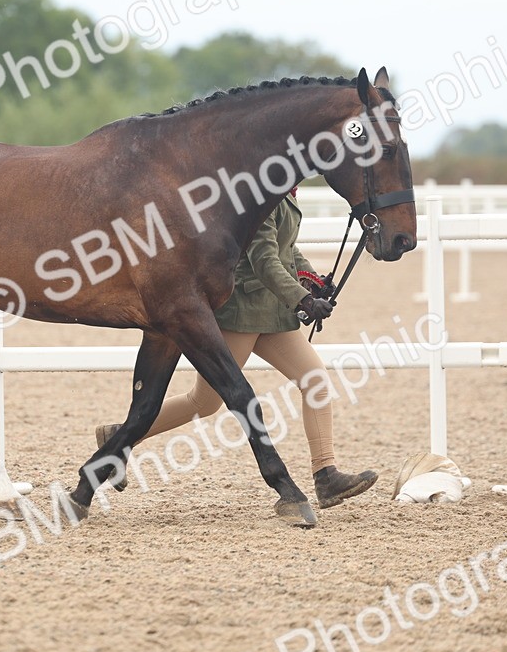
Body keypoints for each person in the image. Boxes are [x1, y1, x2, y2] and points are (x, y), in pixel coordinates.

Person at [97, 190, 378, 508]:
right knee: (205, 401)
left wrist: (310, 278)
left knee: (314, 379)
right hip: (242, 310)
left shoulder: (287, 193)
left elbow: (286, 250)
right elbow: (264, 261)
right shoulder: (263, 194)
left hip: (271, 312)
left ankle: (326, 475)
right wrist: (302, 298)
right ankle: (121, 435)